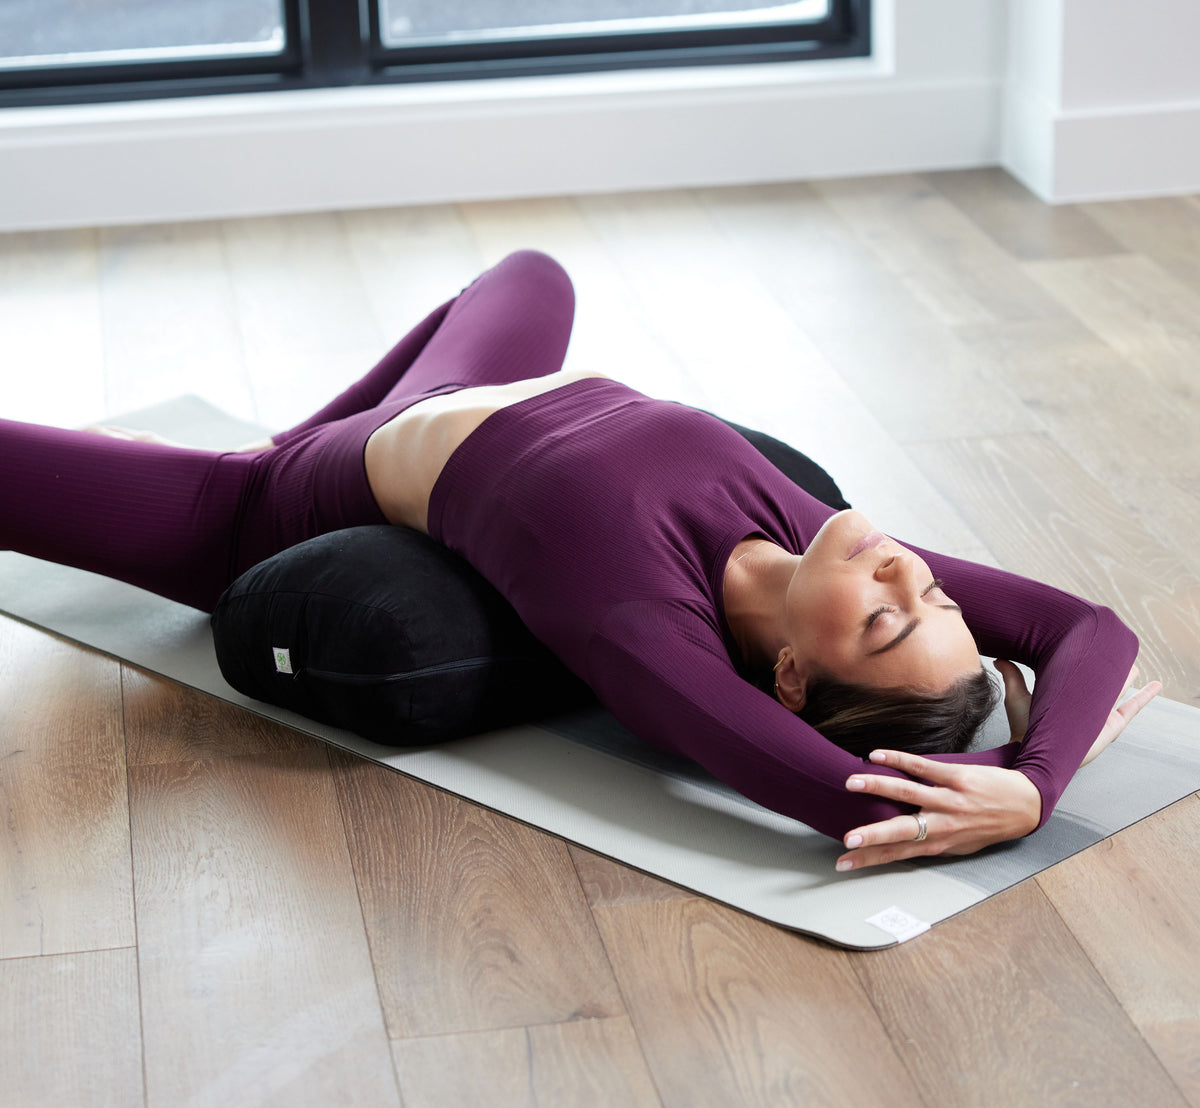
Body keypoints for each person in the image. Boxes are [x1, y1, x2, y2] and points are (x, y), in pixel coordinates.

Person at [0, 250, 1158, 870]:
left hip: (247, 512)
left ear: (796, 679)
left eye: (888, 621)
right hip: (444, 400)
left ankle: (255, 458)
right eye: (935, 591)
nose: (907, 571)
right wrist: (1043, 775)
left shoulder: (639, 627)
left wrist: (1000, 810)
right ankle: (289, 431)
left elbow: (821, 791)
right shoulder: (815, 538)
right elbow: (1088, 631)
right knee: (533, 277)